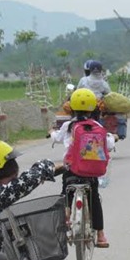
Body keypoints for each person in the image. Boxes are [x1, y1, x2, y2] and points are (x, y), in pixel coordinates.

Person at [50, 88, 112, 247]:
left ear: (71, 107)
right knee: (94, 198)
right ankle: (101, 235)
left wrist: (51, 132)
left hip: (72, 169)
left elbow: (57, 138)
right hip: (91, 172)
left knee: (66, 192)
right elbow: (109, 143)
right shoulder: (97, 125)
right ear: (93, 107)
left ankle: (66, 216)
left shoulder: (68, 126)